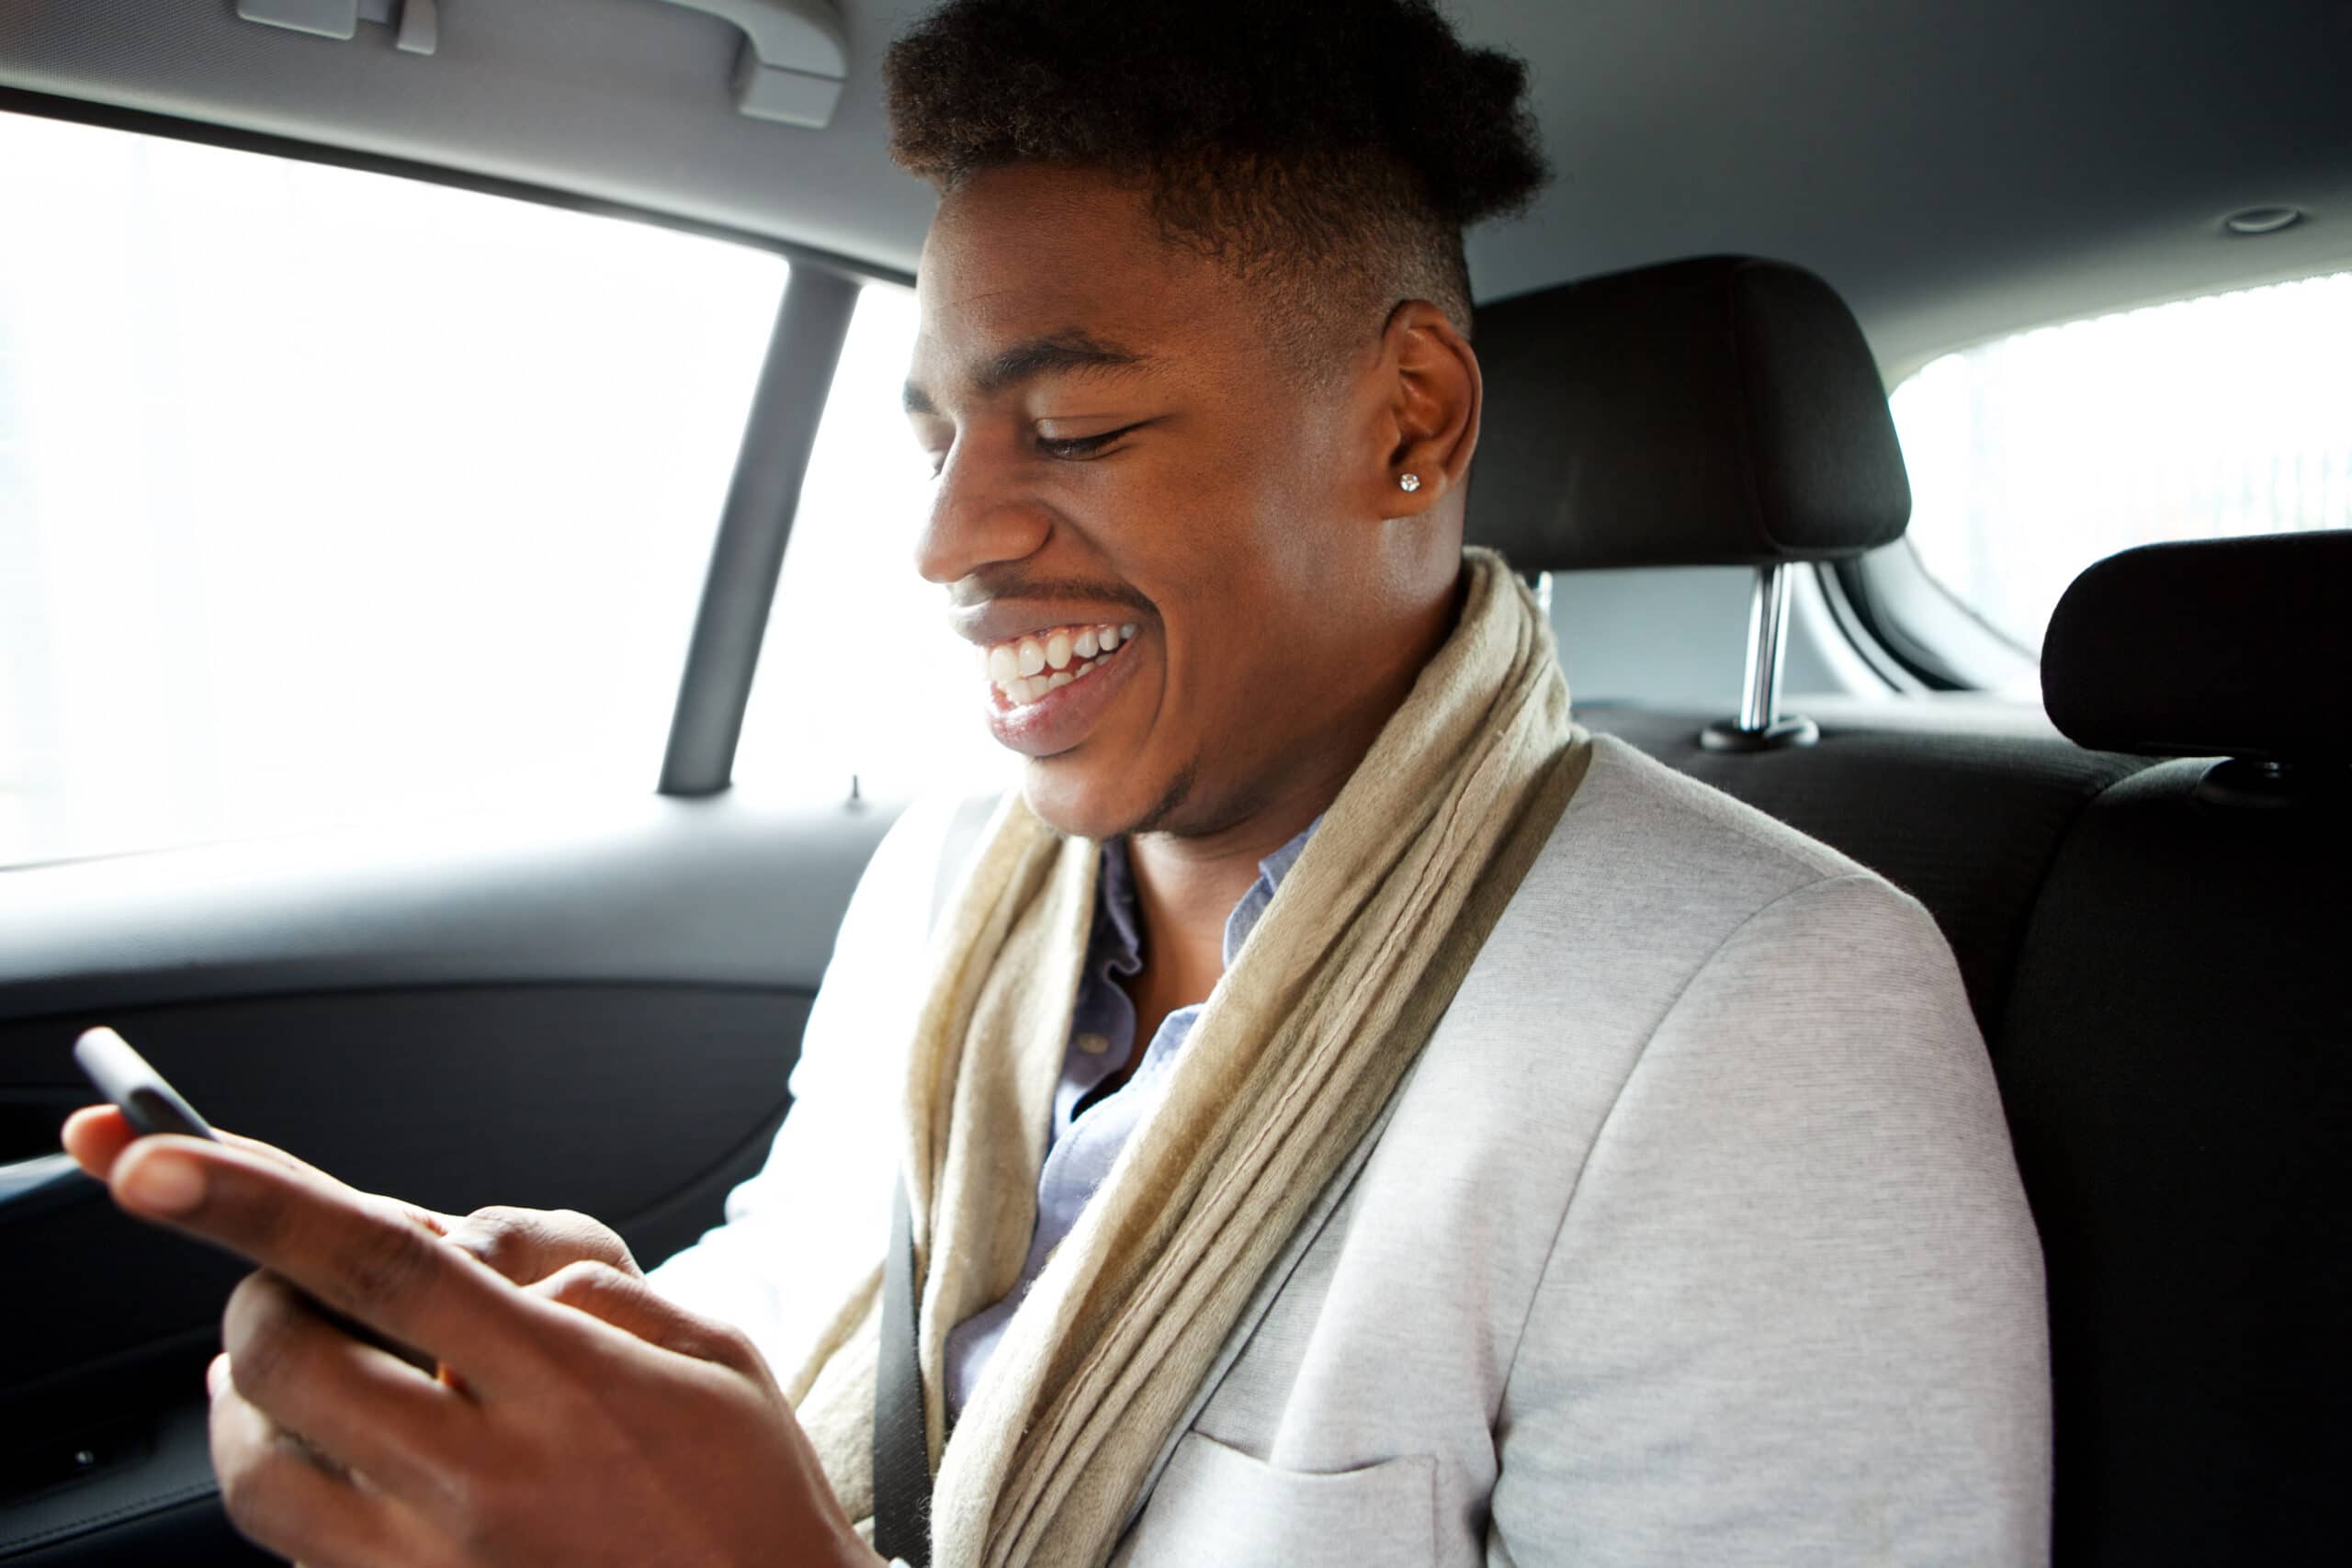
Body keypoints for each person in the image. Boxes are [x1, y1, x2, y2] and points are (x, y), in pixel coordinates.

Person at [64, 2, 2052, 1563]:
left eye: (1076, 422)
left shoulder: (1769, 1019)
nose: (947, 539)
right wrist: (604, 1344)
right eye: (934, 433)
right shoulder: (963, 870)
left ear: (1407, 421)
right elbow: (807, 1283)